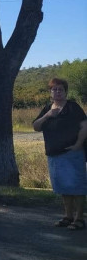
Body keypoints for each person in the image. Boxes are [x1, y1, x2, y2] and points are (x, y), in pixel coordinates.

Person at [33, 78, 87, 231]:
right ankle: (68, 216)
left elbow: (85, 126)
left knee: (77, 186)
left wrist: (78, 144)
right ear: (50, 92)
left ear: (65, 92)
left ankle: (80, 219)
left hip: (72, 153)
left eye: (60, 89)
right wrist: (48, 115)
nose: (57, 92)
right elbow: (36, 126)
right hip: (54, 154)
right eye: (54, 89)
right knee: (63, 186)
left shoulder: (73, 107)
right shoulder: (47, 109)